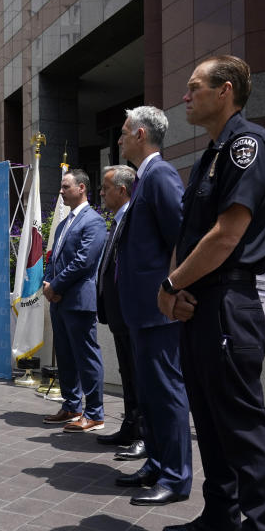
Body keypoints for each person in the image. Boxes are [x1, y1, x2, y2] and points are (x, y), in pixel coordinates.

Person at [157, 55, 265, 531]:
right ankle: (220, 519)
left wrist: (169, 283)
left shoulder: (246, 145)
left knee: (243, 430)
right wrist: (176, 290)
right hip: (199, 300)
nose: (185, 97)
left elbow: (225, 235)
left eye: (194, 88)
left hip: (227, 303)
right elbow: (191, 235)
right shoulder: (209, 155)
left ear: (226, 90)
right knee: (209, 422)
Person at [113, 105, 191, 506]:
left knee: (166, 392)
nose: (121, 137)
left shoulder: (160, 176)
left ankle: (175, 477)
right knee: (150, 394)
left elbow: (182, 235)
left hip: (158, 311)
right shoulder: (145, 179)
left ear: (141, 134)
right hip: (140, 312)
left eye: (125, 131)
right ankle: (157, 465)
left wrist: (172, 288)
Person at [41, 169, 107, 432]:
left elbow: (84, 262)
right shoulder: (63, 223)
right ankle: (71, 406)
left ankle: (95, 414)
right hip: (59, 301)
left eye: (65, 187)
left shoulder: (94, 222)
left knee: (86, 357)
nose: (61, 191)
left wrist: (56, 285)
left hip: (79, 300)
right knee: (66, 357)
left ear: (82, 188)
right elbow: (53, 258)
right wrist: (47, 284)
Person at [95, 165, 146, 461]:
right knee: (128, 374)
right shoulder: (117, 220)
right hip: (119, 316)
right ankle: (129, 426)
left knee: (140, 377)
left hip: (133, 313)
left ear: (123, 190)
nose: (102, 193)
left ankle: (143, 433)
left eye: (105, 188)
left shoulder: (134, 218)